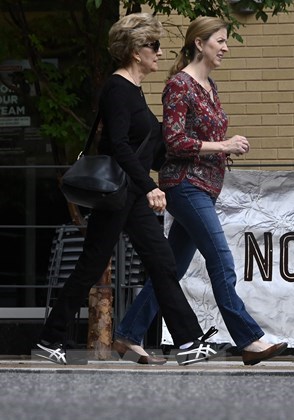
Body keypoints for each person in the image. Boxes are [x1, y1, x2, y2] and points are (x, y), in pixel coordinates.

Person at [36, 13, 221, 366]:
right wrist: (150, 186)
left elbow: (150, 147)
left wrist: (206, 148)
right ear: (137, 50)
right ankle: (50, 338)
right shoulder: (118, 89)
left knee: (162, 262)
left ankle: (189, 341)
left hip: (131, 196)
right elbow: (118, 146)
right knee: (91, 267)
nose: (160, 53)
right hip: (119, 194)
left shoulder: (133, 91)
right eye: (154, 46)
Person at [114, 16, 287, 366]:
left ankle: (128, 335)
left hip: (205, 189)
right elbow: (175, 142)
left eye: (225, 42)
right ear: (199, 43)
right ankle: (248, 340)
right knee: (221, 260)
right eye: (219, 41)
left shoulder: (210, 86)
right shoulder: (180, 85)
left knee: (171, 269)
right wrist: (224, 145)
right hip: (184, 184)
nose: (225, 48)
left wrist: (222, 149)